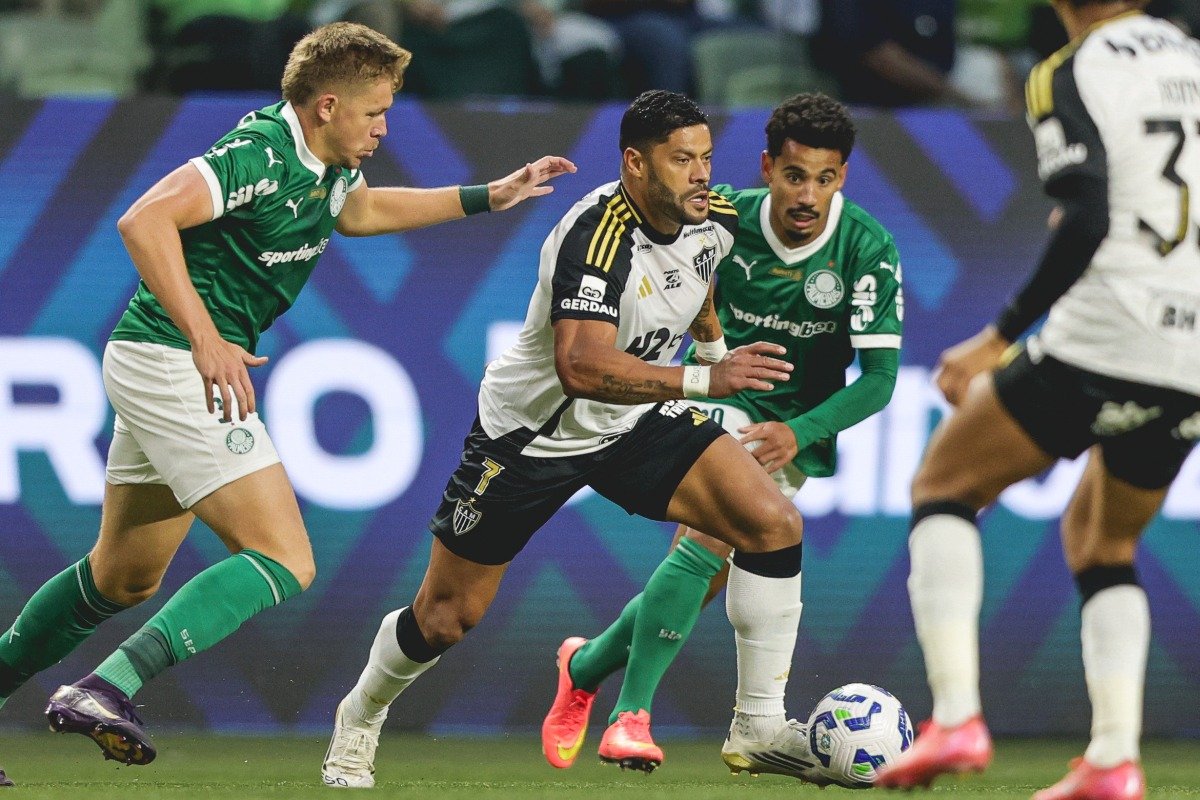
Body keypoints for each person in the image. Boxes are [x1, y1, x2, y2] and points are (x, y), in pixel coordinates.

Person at [0, 21, 574, 781]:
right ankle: (107, 687)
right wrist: (204, 337)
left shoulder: (330, 159)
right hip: (177, 362)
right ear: (326, 104)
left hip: (165, 363)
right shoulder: (259, 153)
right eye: (374, 112)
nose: (383, 126)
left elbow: (360, 213)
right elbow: (143, 219)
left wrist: (486, 196)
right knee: (281, 556)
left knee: (123, 577)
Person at [321, 89, 807, 788]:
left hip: (633, 422)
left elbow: (698, 280)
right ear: (636, 165)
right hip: (531, 437)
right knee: (446, 618)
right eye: (681, 160)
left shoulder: (715, 220)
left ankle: (759, 726)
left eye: (705, 157)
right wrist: (707, 382)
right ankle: (361, 712)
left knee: (772, 521)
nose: (701, 174)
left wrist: (711, 347)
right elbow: (579, 368)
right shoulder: (596, 234)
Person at [875, 3, 1200, 799]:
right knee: (1100, 541)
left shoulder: (1071, 67)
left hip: (1112, 326)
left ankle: (955, 717)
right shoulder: (1192, 57)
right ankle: (1114, 760)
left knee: (945, 485)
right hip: (1193, 347)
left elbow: (1086, 213)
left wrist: (998, 338)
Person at [541, 92, 903, 775]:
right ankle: (632, 718)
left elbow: (880, 378)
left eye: (825, 179)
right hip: (713, 393)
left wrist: (799, 433)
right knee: (707, 538)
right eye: (795, 175)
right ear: (768, 168)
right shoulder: (718, 217)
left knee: (701, 578)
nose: (808, 194)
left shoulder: (866, 247)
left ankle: (585, 667)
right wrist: (705, 350)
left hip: (791, 428)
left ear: (843, 178)